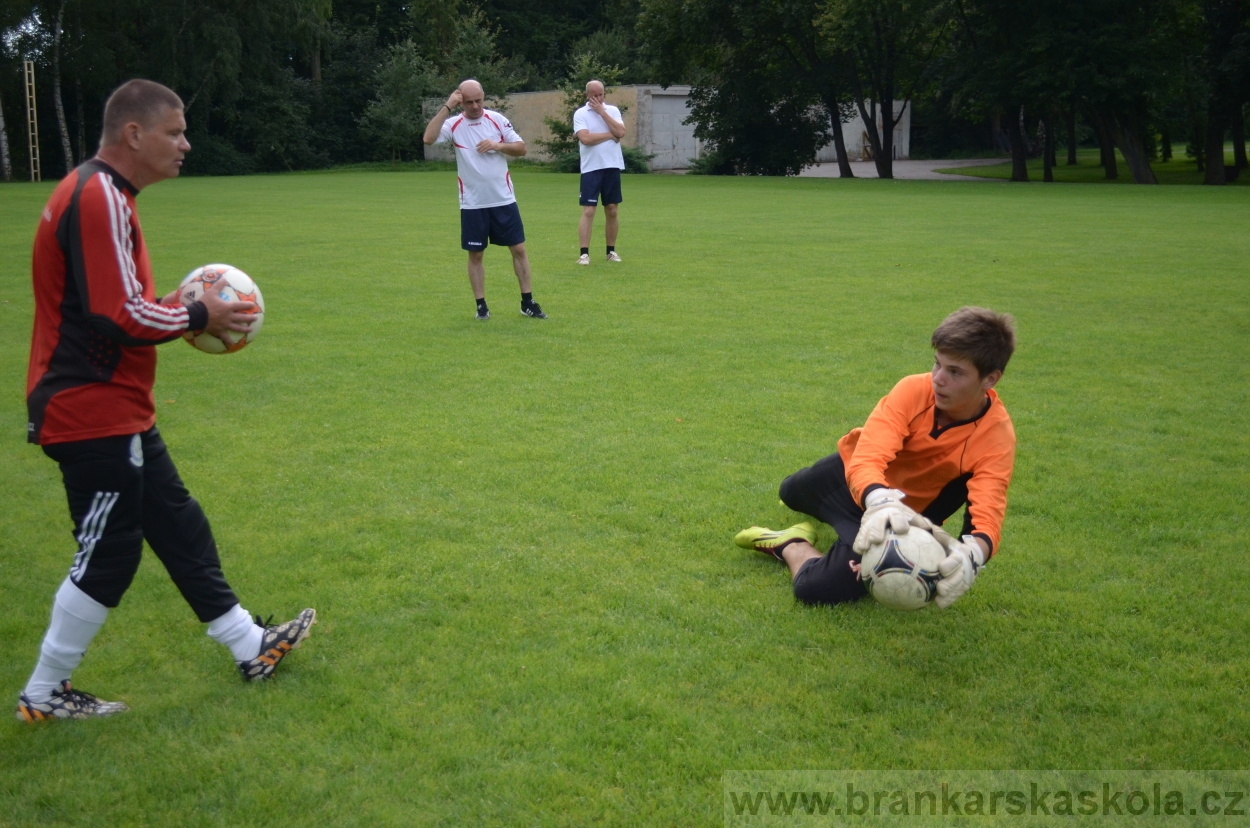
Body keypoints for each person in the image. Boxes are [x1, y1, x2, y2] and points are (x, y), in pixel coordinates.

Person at [17, 79, 315, 722]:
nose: (185, 144)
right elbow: (118, 315)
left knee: (178, 524)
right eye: (175, 132)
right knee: (108, 552)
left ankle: (249, 645)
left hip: (117, 406)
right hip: (89, 409)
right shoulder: (97, 195)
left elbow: (115, 305)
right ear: (134, 133)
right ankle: (43, 692)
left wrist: (178, 308)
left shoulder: (105, 193)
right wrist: (199, 313)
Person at [733, 307, 1017, 609]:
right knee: (789, 492)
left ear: (990, 379)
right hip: (856, 483)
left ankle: (791, 543)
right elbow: (869, 456)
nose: (938, 378)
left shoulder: (995, 438)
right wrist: (880, 500)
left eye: (955, 372)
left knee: (815, 589)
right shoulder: (913, 389)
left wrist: (974, 554)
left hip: (898, 523)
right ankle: (833, 514)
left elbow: (987, 513)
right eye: (937, 364)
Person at [423, 79, 547, 321]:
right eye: (469, 102)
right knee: (476, 254)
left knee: (518, 249)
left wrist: (497, 145)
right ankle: (481, 306)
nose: (475, 106)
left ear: (483, 97)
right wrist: (447, 106)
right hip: (473, 203)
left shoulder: (496, 120)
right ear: (461, 101)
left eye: (478, 100)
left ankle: (527, 302)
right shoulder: (454, 123)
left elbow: (521, 148)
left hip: (503, 198)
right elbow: (428, 138)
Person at [573, 80, 626, 266]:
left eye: (601, 94)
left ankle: (611, 251)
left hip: (612, 166)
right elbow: (585, 138)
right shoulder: (581, 113)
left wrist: (602, 113)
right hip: (591, 168)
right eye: (594, 95)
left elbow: (621, 131)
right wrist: (610, 135)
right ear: (587, 95)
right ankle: (584, 254)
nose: (598, 98)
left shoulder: (612, 111)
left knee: (612, 209)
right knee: (589, 210)